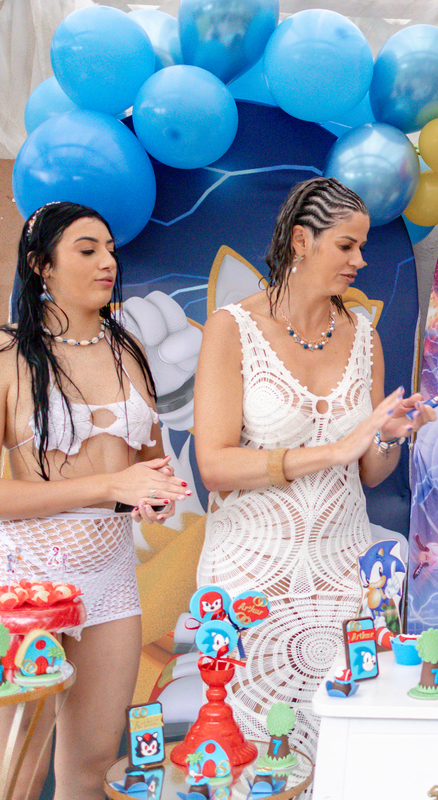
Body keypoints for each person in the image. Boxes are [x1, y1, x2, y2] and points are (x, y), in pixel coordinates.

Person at [193, 178, 436, 759]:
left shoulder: (364, 335)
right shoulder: (232, 328)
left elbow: (370, 473)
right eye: (346, 246)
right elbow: (214, 465)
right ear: (301, 241)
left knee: (341, 751)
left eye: (362, 247)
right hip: (251, 576)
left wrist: (387, 438)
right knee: (255, 757)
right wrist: (332, 451)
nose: (360, 260)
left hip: (342, 576)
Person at [0, 201, 189, 800]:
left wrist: (153, 494)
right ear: (41, 265)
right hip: (25, 586)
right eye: (87, 250)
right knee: (15, 770)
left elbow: (147, 461)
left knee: (93, 764)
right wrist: (110, 486)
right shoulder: (8, 356)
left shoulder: (129, 351)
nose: (107, 261)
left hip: (110, 581)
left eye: (110, 249)